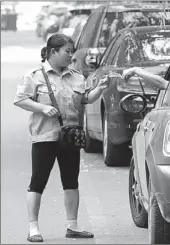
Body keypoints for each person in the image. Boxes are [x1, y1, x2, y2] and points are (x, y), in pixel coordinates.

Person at [14, 34, 110, 243]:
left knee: (71, 181)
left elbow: (84, 99)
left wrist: (99, 89)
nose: (70, 56)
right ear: (52, 52)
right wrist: (42, 107)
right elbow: (20, 99)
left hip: (70, 137)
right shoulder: (35, 76)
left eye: (71, 51)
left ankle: (72, 226)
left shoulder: (76, 76)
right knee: (38, 182)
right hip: (44, 137)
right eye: (67, 51)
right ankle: (33, 229)